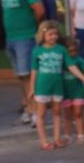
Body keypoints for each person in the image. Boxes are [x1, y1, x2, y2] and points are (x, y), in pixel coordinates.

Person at [0, 0, 46, 124]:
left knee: (28, 75)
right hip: (12, 38)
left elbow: (38, 9)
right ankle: (28, 106)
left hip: (25, 37)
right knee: (21, 75)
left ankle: (35, 112)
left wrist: (33, 28)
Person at [29, 20, 74, 150]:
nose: (53, 37)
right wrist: (32, 88)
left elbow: (70, 65)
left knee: (57, 112)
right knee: (41, 113)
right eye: (50, 34)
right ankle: (43, 141)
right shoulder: (37, 51)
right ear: (43, 35)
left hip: (57, 86)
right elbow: (34, 70)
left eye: (55, 34)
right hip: (42, 86)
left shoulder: (61, 50)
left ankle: (57, 138)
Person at [62, 35, 84, 141]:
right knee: (67, 115)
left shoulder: (78, 60)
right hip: (65, 92)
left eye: (74, 50)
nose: (72, 53)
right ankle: (68, 134)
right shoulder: (62, 61)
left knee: (78, 113)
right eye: (69, 51)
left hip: (78, 91)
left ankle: (81, 134)